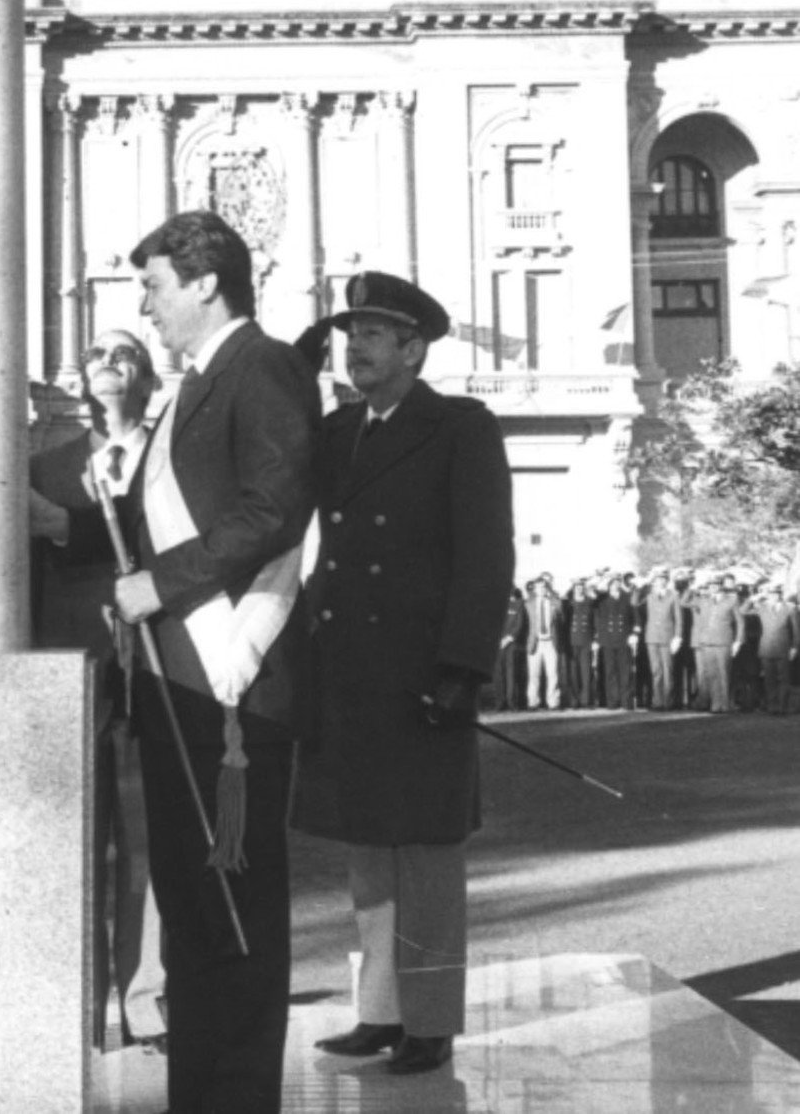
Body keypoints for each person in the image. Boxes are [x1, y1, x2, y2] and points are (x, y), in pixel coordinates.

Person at [70, 211, 320, 1114]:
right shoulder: (196, 384)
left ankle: (237, 1097)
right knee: (191, 906)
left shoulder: (265, 367)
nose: (146, 306)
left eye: (155, 287)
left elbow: (273, 509)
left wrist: (159, 583)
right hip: (177, 682)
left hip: (229, 682)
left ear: (205, 283)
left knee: (233, 909)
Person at [293, 270, 514, 1077]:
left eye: (372, 334)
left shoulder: (458, 426)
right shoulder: (337, 430)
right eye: (348, 334)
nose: (354, 347)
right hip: (349, 670)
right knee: (368, 847)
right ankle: (381, 1009)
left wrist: (461, 666)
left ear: (413, 349)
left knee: (423, 854)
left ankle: (429, 1019)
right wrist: (291, 369)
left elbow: (485, 555)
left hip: (421, 673)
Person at [29, 328, 167, 1052]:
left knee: (147, 842)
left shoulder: (171, 459)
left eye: (124, 355)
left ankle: (148, 999)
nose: (107, 365)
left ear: (149, 379)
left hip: (153, 673)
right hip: (69, 670)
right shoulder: (44, 468)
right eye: (95, 355)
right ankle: (77, 1007)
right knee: (75, 844)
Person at [690, 574, 743, 713]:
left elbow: (740, 622)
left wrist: (738, 641)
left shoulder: (731, 600)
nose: (712, 588)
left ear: (721, 586)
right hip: (707, 642)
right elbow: (684, 602)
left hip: (724, 641)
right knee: (711, 674)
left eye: (716, 585)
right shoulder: (704, 601)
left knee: (724, 673)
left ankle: (725, 704)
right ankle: (715, 703)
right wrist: (693, 588)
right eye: (710, 586)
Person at [744, 584, 797, 715]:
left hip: (784, 647)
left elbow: (797, 631)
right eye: (771, 594)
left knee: (784, 679)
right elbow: (743, 611)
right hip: (766, 647)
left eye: (777, 594)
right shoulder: (762, 607)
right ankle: (772, 706)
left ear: (780, 595)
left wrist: (795, 647)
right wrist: (753, 598)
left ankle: (783, 707)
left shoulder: (790, 608)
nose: (774, 596)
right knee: (769, 679)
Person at [639, 569, 685, 711]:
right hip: (652, 637)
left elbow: (678, 618)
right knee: (656, 671)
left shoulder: (673, 596)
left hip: (667, 636)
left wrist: (678, 636)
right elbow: (635, 602)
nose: (661, 581)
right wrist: (644, 584)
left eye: (663, 579)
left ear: (667, 581)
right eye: (658, 579)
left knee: (667, 670)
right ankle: (657, 701)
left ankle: (668, 701)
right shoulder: (649, 595)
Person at [595, 577, 638, 711]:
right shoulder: (602, 601)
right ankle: (612, 702)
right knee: (610, 672)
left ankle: (627, 701)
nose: (615, 586)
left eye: (617, 583)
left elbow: (636, 618)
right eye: (612, 584)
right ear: (608, 586)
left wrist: (634, 634)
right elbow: (593, 597)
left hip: (624, 640)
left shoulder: (627, 599)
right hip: (607, 641)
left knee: (626, 672)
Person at [524, 573, 562, 709]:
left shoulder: (554, 603)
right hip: (535, 642)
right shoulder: (528, 604)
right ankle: (533, 702)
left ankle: (553, 702)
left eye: (544, 587)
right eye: (538, 587)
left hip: (550, 642)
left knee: (552, 674)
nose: (541, 589)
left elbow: (560, 613)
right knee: (534, 674)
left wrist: (552, 593)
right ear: (534, 589)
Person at [561, 579, 598, 709]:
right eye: (577, 587)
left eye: (581, 587)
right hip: (571, 641)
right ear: (573, 588)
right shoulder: (568, 603)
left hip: (586, 640)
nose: (579, 589)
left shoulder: (590, 603)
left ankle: (586, 700)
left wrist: (595, 639)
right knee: (573, 672)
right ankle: (574, 700)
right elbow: (564, 623)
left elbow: (595, 622)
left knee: (586, 671)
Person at [494, 586, 527, 711]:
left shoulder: (518, 605)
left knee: (511, 673)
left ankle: (511, 702)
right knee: (499, 673)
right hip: (498, 643)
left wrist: (508, 638)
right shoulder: (497, 605)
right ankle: (500, 702)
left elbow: (519, 624)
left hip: (511, 644)